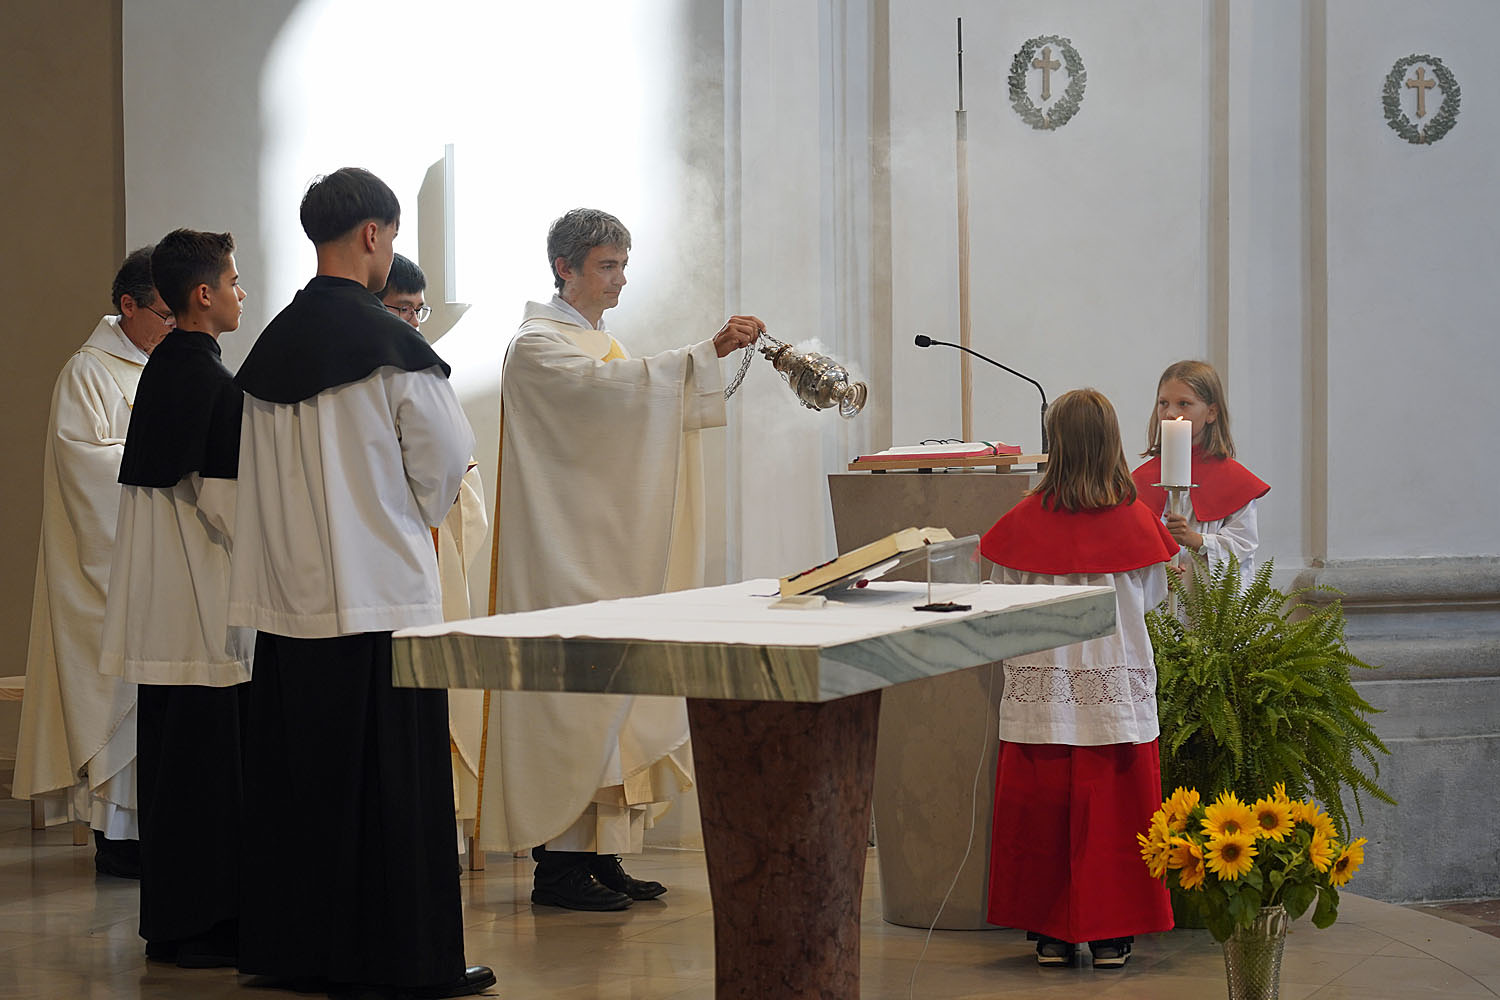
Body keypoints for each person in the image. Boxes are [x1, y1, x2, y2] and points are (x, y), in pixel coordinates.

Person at [228, 167, 493, 998]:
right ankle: (405, 959)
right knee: (392, 790)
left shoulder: (271, 347)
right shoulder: (393, 347)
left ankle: (300, 952)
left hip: (288, 606)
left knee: (305, 786)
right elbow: (446, 459)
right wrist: (409, 515)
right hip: (380, 598)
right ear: (373, 235)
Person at [486, 207, 762, 911]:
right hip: (560, 562)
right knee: (572, 704)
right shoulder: (537, 348)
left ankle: (602, 854)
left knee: (615, 697)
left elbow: (630, 404)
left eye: (622, 265)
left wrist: (697, 367)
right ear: (564, 268)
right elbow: (610, 397)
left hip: (603, 550)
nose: (620, 280)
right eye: (607, 266)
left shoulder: (601, 346)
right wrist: (702, 354)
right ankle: (557, 868)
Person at [979, 388, 1178, 969]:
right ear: (1112, 445)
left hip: (1044, 688)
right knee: (1117, 813)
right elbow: (1153, 598)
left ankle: (1052, 933)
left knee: (1041, 810)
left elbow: (1000, 599)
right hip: (1113, 689)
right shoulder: (1138, 523)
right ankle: (1115, 934)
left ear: (1055, 446)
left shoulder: (1021, 524)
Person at [99, 229, 252, 967]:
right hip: (202, 613)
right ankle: (206, 929)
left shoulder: (164, 368)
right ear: (203, 294)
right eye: (233, 281)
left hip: (162, 614)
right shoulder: (212, 383)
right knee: (206, 779)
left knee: (170, 772)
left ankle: (170, 924)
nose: (241, 294)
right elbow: (227, 508)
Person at [15, 246, 175, 879]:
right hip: (106, 570)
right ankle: (119, 838)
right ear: (127, 306)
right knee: (117, 705)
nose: (171, 325)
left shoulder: (165, 366)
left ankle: (157, 831)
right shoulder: (87, 371)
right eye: (162, 314)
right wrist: (166, 463)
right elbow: (86, 467)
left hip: (159, 568)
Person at [377, 252, 489, 862]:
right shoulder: (366, 375)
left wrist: (446, 491)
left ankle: (448, 829)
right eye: (401, 309)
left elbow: (460, 468)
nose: (413, 323)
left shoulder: (424, 370)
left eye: (419, 311)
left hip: (432, 557)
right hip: (386, 565)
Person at [1132, 360, 1269, 588]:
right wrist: (1156, 574)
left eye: (1184, 404)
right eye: (1163, 403)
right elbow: (1130, 547)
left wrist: (1194, 539)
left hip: (1211, 601)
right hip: (1161, 601)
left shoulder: (1234, 481)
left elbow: (1242, 548)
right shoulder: (1140, 482)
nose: (1170, 413)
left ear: (1211, 412)